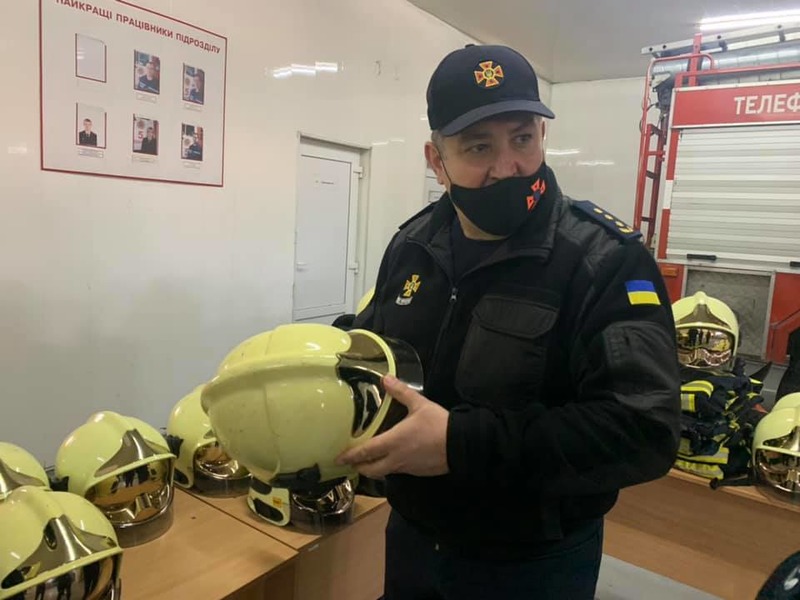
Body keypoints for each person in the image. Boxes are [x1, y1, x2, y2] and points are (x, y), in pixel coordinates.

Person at [336, 44, 681, 600]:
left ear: (542, 135)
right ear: (436, 160)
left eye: (522, 139)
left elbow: (644, 431)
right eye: (479, 147)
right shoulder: (413, 245)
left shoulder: (603, 261)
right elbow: (380, 354)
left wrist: (461, 444)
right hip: (413, 540)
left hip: (532, 565)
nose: (507, 167)